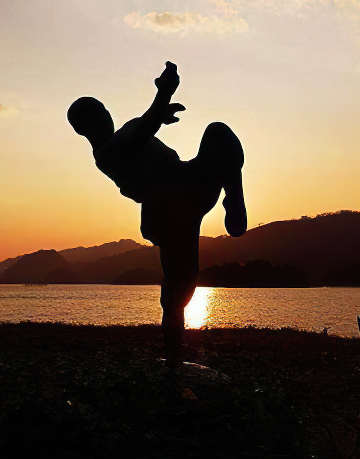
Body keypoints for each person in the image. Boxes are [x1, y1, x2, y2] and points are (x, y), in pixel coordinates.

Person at [67, 61, 247, 361]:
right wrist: (164, 93)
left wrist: (160, 113)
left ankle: (234, 195)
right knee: (178, 289)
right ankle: (174, 356)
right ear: (82, 130)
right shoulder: (107, 155)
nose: (105, 117)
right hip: (171, 212)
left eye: (104, 110)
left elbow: (144, 125)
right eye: (95, 116)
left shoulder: (128, 129)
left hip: (190, 179)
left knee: (218, 133)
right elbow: (141, 132)